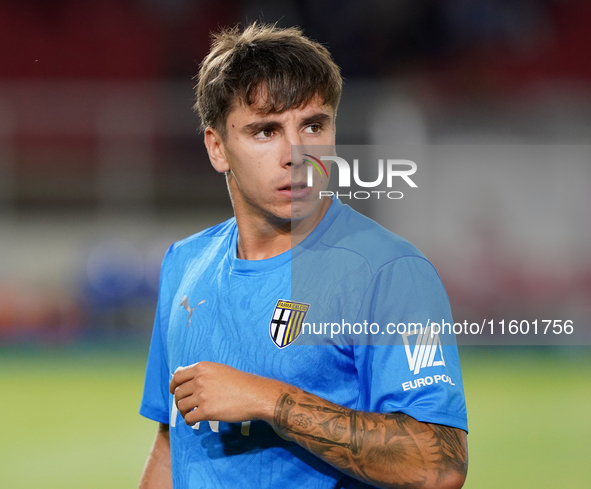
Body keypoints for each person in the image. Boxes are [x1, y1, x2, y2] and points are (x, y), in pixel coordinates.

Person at [139, 22, 468, 489]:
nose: (296, 153)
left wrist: (270, 401)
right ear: (218, 148)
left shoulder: (388, 272)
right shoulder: (184, 264)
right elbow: (171, 450)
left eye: (313, 125)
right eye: (265, 131)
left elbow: (439, 465)